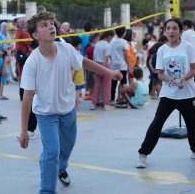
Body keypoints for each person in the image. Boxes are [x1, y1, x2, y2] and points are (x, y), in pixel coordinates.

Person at [18, 10, 122, 194]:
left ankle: (60, 168)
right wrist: (24, 129)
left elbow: (85, 63)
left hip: (68, 110)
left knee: (67, 147)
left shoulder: (65, 49)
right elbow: (27, 96)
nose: (51, 26)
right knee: (51, 153)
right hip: (46, 114)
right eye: (44, 25)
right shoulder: (33, 61)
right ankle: (47, 190)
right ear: (35, 35)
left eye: (51, 23)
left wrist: (109, 72)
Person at [136, 18, 195, 169]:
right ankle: (143, 154)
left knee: (193, 124)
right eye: (168, 28)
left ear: (180, 31)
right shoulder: (162, 50)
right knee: (156, 124)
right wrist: (168, 78)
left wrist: (184, 78)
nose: (171, 31)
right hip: (168, 95)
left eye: (175, 28)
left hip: (187, 94)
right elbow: (159, 74)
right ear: (164, 31)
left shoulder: (188, 47)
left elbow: (194, 70)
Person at [15, 17, 37, 138]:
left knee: (31, 99)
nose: (22, 23)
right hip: (23, 69)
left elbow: (32, 44)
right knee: (27, 98)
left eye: (24, 21)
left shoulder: (27, 35)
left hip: (30, 72)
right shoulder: (19, 32)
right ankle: (29, 129)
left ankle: (30, 129)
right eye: (20, 22)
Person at [92, 30, 115, 110]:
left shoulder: (97, 43)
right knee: (107, 85)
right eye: (112, 37)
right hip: (105, 66)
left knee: (97, 86)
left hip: (96, 65)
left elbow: (94, 56)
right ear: (109, 36)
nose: (112, 39)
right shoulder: (108, 45)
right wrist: (104, 69)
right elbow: (106, 58)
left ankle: (93, 104)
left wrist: (95, 67)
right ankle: (106, 104)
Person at [110, 27, 131, 107]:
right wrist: (130, 66)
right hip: (122, 65)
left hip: (114, 65)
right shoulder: (124, 42)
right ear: (124, 33)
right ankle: (123, 98)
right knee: (123, 83)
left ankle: (112, 99)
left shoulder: (112, 41)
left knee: (113, 83)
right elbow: (126, 55)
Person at [66, 36, 86, 115]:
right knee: (76, 94)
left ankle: (73, 110)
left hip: (73, 75)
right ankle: (77, 110)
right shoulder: (77, 53)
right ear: (79, 45)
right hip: (77, 76)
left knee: (73, 94)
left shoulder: (70, 52)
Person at [182, 19, 195, 93]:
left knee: (188, 73)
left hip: (189, 56)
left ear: (186, 26)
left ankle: (188, 88)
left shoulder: (185, 33)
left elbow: (182, 44)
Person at [0, 21, 15, 100]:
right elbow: (2, 47)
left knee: (5, 76)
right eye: (5, 27)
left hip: (8, 57)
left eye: (7, 27)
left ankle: (1, 94)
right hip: (3, 58)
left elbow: (11, 44)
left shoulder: (7, 35)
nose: (6, 28)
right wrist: (8, 47)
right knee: (2, 76)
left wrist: (10, 47)